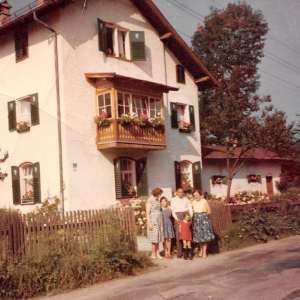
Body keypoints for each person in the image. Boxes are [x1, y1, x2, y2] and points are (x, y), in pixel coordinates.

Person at [191, 189, 215, 258]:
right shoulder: (193, 202)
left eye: (197, 195)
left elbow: (209, 211)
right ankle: (201, 250)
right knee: (199, 236)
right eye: (195, 195)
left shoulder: (204, 201)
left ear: (200, 194)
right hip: (196, 220)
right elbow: (190, 211)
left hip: (204, 219)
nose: (196, 196)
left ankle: (204, 251)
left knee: (205, 236)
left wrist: (203, 216)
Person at [171, 188, 193, 258]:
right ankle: (179, 252)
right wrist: (175, 217)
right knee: (179, 234)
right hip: (178, 216)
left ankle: (187, 252)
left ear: (183, 193)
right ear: (176, 193)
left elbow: (190, 208)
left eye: (182, 192)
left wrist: (190, 217)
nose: (180, 193)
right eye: (179, 192)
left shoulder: (186, 199)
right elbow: (173, 210)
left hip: (186, 215)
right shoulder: (173, 199)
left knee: (187, 233)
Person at [146, 188, 164, 259]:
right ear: (157, 194)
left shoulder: (157, 200)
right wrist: (150, 223)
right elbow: (147, 213)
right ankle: (153, 253)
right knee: (154, 238)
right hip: (153, 221)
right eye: (160, 194)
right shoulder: (149, 201)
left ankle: (157, 253)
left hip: (158, 221)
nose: (160, 195)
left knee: (158, 237)